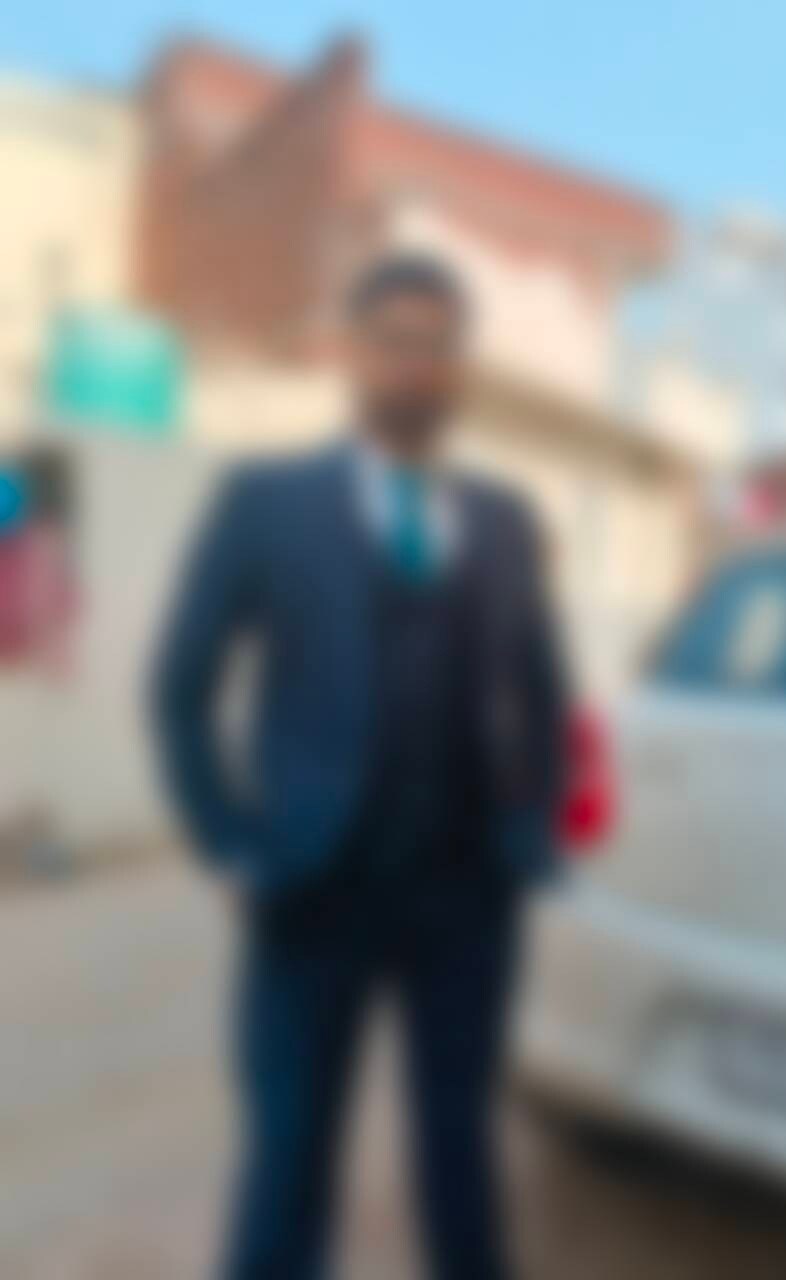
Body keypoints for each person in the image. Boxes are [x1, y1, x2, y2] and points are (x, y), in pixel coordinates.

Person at [151, 252, 566, 1280]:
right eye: (395, 342)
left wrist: (532, 826)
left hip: (467, 892)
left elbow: (546, 691)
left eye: (438, 346)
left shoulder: (507, 519)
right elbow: (180, 688)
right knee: (290, 1154)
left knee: (460, 1150)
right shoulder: (267, 502)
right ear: (352, 354)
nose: (416, 364)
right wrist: (230, 843)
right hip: (313, 886)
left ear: (460, 366)